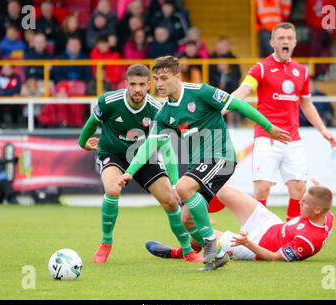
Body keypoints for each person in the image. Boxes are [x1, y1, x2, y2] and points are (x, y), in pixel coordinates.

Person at [117, 56, 291, 270]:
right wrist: (130, 172)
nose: (159, 84)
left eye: (164, 78)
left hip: (221, 157)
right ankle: (218, 255)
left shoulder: (201, 91)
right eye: (156, 79)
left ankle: (210, 244)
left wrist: (269, 127)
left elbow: (238, 105)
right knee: (187, 220)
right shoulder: (164, 113)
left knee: (182, 187)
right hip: (199, 165)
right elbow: (149, 146)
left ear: (177, 77)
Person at [78, 64, 202, 264]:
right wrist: (82, 143)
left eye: (142, 84)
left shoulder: (158, 109)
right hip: (113, 153)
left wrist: (175, 184)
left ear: (149, 85)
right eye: (133, 84)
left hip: (144, 156)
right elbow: (93, 122)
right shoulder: (108, 101)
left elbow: (166, 147)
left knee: (171, 201)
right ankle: (106, 242)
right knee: (112, 189)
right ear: (126, 84)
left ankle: (188, 252)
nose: (137, 89)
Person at [232, 22, 336, 222]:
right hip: (266, 136)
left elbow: (306, 104)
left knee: (299, 189)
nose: (285, 41)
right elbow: (244, 90)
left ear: (295, 42)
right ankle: (257, 233)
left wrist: (323, 130)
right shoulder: (261, 69)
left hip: (292, 139)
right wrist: (225, 104)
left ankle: (291, 233)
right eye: (281, 38)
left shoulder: (302, 71)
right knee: (262, 188)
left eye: (289, 38)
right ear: (272, 42)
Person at [147, 180, 334, 262]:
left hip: (257, 246)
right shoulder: (326, 215)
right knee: (224, 190)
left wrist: (248, 243)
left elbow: (275, 257)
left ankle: (181, 252)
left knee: (195, 227)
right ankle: (200, 215)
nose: (300, 202)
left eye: (306, 202)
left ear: (317, 210)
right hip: (270, 224)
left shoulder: (308, 241)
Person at [208, 36, 242, 127]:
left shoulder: (233, 59)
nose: (222, 48)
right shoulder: (212, 58)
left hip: (230, 90)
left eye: (224, 46)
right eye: (220, 46)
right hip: (215, 90)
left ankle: (233, 125)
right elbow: (209, 75)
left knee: (231, 103)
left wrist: (228, 73)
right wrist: (218, 82)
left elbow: (237, 75)